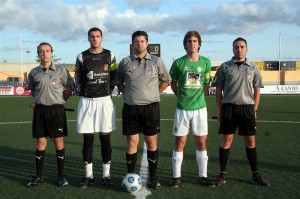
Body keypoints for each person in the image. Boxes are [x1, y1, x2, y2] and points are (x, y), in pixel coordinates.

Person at [212, 37, 270, 187]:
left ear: (246, 49)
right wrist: (219, 110)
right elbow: (218, 91)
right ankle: (222, 175)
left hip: (247, 109)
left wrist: (254, 109)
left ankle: (255, 175)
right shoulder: (225, 67)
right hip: (229, 108)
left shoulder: (253, 68)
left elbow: (257, 90)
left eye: (242, 47)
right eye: (236, 47)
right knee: (226, 141)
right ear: (232, 49)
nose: (239, 49)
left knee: (250, 142)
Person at [117, 30, 171, 189]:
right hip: (131, 108)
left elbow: (166, 81)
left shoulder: (156, 61)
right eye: (136, 41)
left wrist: (155, 93)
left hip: (151, 108)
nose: (139, 43)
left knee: (151, 141)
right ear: (132, 44)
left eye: (142, 41)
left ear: (147, 43)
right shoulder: (125, 62)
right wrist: (126, 92)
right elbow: (119, 81)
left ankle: (153, 177)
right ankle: (131, 174)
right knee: (132, 141)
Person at [169, 31, 214, 187]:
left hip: (200, 109)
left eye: (195, 41)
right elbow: (173, 83)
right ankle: (176, 176)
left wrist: (200, 96)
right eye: (189, 41)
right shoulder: (178, 63)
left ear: (199, 44)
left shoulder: (206, 63)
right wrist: (180, 96)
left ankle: (203, 175)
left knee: (201, 142)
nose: (192, 43)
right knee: (180, 142)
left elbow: (207, 83)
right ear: (185, 44)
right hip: (182, 109)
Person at [75, 27, 119, 188]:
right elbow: (78, 79)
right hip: (87, 102)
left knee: (105, 140)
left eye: (97, 36)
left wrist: (110, 91)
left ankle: (106, 176)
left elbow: (114, 76)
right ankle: (88, 176)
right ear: (88, 38)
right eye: (92, 37)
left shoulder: (110, 55)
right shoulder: (81, 56)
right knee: (88, 141)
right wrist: (83, 92)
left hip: (105, 102)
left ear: (102, 37)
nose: (95, 39)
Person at [26, 42, 73, 187]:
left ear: (51, 52)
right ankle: (39, 176)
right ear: (38, 53)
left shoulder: (61, 70)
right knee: (41, 143)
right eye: (41, 51)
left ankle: (61, 176)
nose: (44, 53)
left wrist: (60, 100)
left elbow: (69, 87)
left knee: (58, 143)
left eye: (47, 51)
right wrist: (38, 99)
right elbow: (32, 89)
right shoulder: (34, 72)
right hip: (40, 111)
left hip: (56, 111)